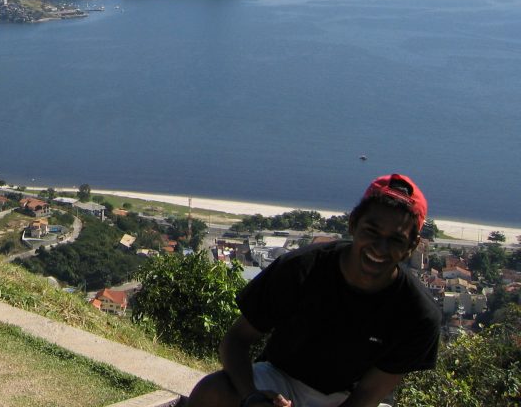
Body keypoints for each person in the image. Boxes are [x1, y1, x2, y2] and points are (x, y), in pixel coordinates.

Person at [186, 173, 440, 407]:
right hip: (279, 378)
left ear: (412, 245)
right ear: (353, 224)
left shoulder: (417, 313)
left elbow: (369, 393)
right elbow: (235, 341)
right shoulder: (301, 268)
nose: (379, 248)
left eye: (395, 239)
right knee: (212, 391)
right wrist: (252, 397)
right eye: (371, 231)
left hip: (348, 398)